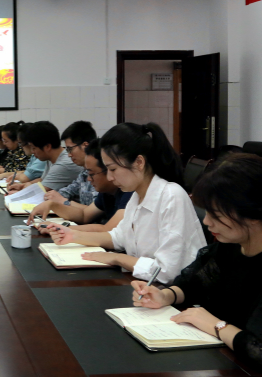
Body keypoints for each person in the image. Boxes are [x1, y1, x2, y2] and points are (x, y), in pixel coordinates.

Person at [131, 154, 262, 377]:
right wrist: (166, 295)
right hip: (230, 364)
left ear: (253, 214)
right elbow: (195, 283)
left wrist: (215, 325)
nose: (206, 222)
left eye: (216, 215)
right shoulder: (235, 243)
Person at [44, 122, 205, 284]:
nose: (109, 178)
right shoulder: (136, 196)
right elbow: (119, 237)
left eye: (113, 169)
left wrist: (116, 258)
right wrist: (72, 235)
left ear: (139, 162)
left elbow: (165, 271)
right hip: (146, 286)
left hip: (174, 292)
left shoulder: (171, 196)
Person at [29, 139, 131, 232]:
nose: (89, 179)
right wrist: (52, 205)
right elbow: (84, 215)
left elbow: (108, 230)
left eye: (91, 174)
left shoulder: (128, 193)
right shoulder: (106, 192)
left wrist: (59, 228)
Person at [9, 121, 82, 191]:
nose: (32, 152)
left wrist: (24, 189)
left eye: (34, 148)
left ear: (47, 147)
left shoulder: (63, 164)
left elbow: (41, 191)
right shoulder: (51, 158)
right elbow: (42, 180)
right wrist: (23, 185)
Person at [53, 120, 99, 205]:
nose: (69, 155)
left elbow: (95, 210)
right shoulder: (84, 172)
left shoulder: (99, 172)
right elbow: (70, 190)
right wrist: (53, 196)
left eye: (70, 149)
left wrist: (64, 201)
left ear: (85, 146)